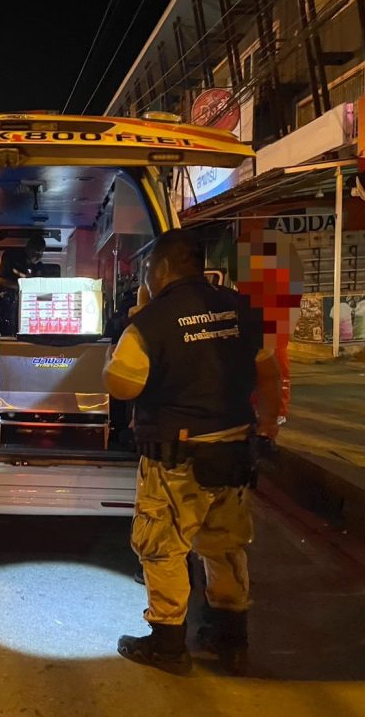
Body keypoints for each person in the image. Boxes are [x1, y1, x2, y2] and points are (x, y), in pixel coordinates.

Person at [103, 230, 280, 676]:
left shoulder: (152, 322)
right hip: (233, 453)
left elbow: (122, 385)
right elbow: (268, 371)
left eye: (148, 269)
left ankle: (167, 643)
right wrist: (267, 426)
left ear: (161, 268)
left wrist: (123, 338)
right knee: (224, 545)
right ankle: (230, 637)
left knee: (162, 547)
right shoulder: (240, 308)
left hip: (175, 461)